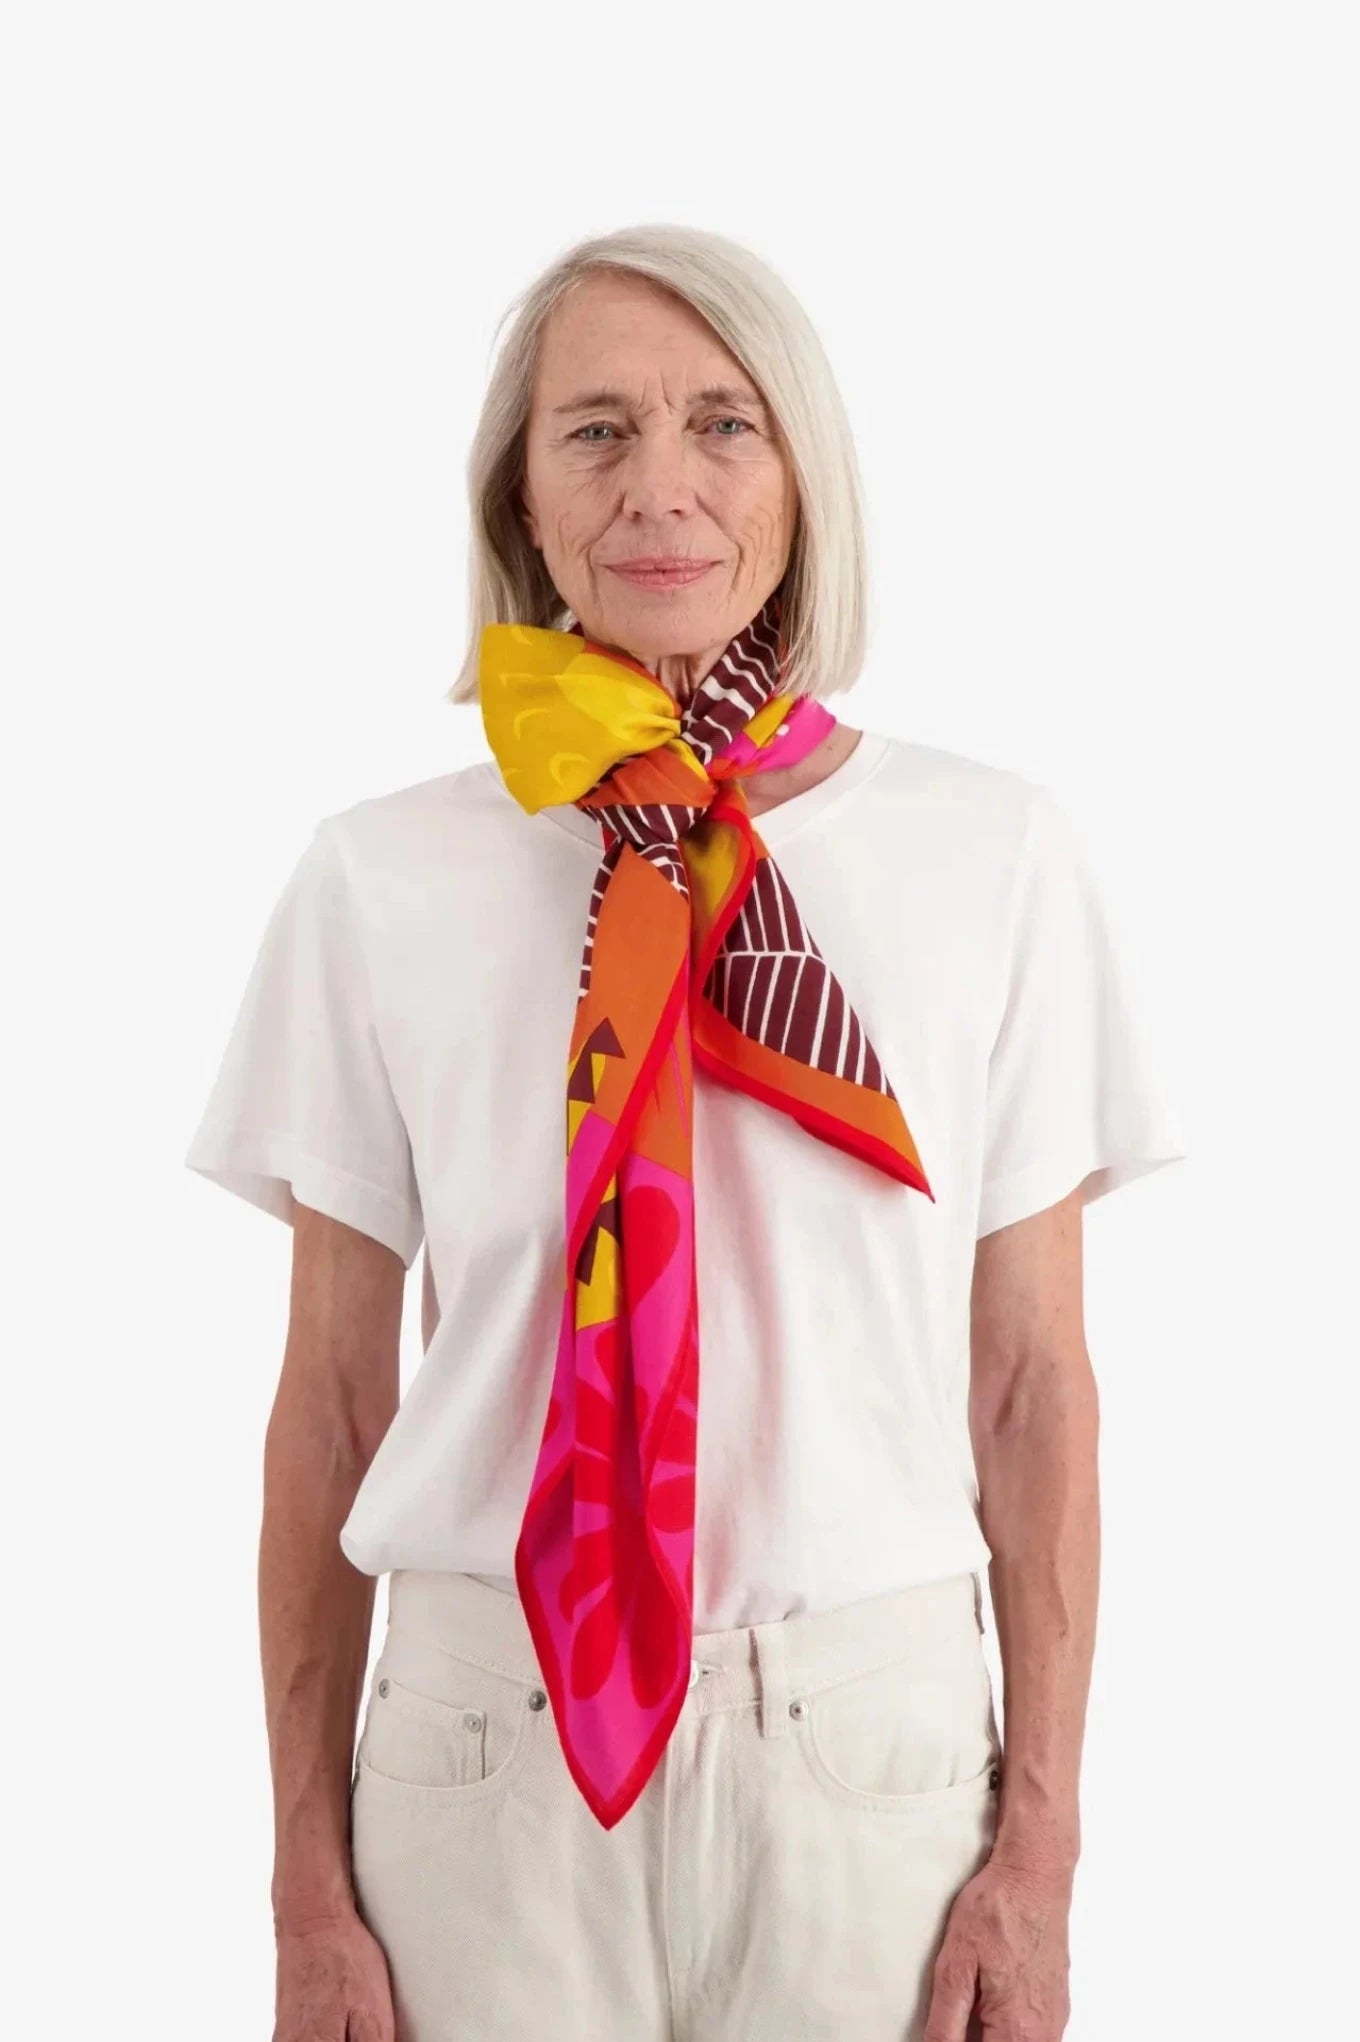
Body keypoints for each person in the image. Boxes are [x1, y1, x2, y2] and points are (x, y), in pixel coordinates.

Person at [185, 222, 1187, 2042]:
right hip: (488, 1755)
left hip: (871, 1755)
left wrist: (1041, 1850)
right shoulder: (379, 878)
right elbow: (329, 1403)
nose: (661, 485)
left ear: (803, 475)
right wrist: (302, 1890)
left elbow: (1034, 1385)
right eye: (596, 430)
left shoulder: (997, 855)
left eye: (725, 422)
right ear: (522, 497)